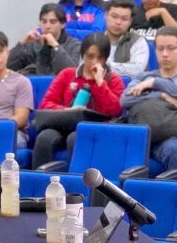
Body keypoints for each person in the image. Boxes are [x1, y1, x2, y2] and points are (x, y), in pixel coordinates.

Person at [121, 27, 177, 172]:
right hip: (139, 136)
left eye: (171, 48)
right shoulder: (143, 77)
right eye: (160, 49)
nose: (165, 54)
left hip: (174, 137)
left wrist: (156, 83)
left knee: (175, 150)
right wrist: (161, 95)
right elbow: (125, 100)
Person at [32, 35, 124, 168]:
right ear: (83, 55)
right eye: (90, 56)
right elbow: (46, 104)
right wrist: (66, 111)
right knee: (45, 138)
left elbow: (115, 110)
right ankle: (38, 182)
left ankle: (78, 184)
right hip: (65, 124)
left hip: (94, 128)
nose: (94, 62)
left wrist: (100, 83)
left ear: (106, 59)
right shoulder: (67, 74)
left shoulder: (113, 80)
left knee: (75, 138)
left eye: (100, 58)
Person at [8, 3, 81, 75]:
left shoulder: (74, 45)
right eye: (44, 21)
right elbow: (8, 67)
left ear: (63, 24)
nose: (47, 26)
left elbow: (72, 73)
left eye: (52, 22)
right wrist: (22, 43)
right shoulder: (33, 44)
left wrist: (56, 46)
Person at [85, 0, 149, 77]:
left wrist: (104, 65)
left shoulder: (138, 41)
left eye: (124, 19)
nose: (118, 22)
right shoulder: (94, 40)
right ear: (106, 15)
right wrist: (124, 66)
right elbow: (83, 65)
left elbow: (137, 70)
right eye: (114, 16)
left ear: (130, 21)